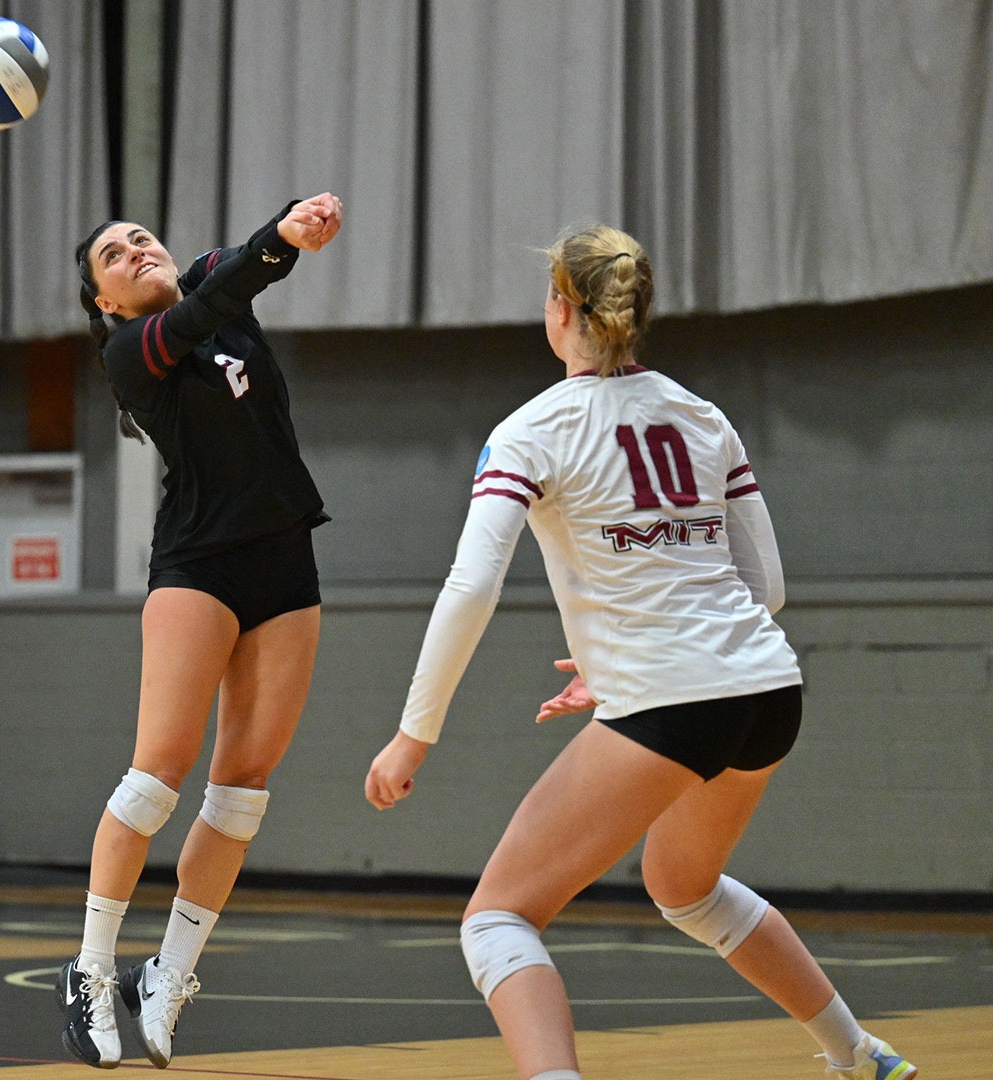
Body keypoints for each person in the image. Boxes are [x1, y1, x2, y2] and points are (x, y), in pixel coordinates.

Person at [363, 224, 916, 1080]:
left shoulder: (530, 432)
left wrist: (414, 733)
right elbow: (764, 584)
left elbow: (470, 590)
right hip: (768, 690)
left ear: (559, 308)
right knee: (686, 887)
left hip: (674, 697)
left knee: (497, 920)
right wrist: (616, 656)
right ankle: (861, 1053)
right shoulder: (702, 414)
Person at [58, 193, 344, 1069]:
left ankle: (169, 973)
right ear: (104, 299)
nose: (137, 248)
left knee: (244, 791)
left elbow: (248, 263)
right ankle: (92, 969)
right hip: (199, 563)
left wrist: (296, 223)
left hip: (284, 562)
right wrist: (274, 245)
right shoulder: (128, 351)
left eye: (143, 237)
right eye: (115, 254)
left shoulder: (219, 278)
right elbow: (210, 303)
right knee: (156, 778)